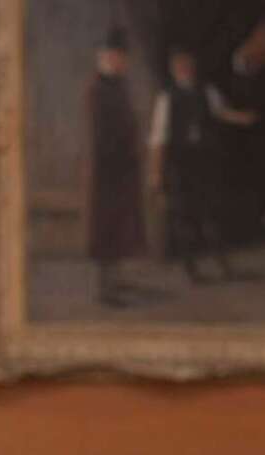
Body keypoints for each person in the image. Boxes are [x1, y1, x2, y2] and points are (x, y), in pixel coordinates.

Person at [148, 48, 257, 284]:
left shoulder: (206, 91)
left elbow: (221, 112)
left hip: (203, 162)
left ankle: (223, 265)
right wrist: (156, 172)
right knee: (184, 217)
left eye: (188, 65)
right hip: (180, 165)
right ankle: (192, 271)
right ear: (174, 70)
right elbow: (158, 137)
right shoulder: (167, 98)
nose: (185, 70)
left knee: (211, 213)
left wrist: (242, 118)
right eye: (180, 66)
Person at [85, 27, 145, 307]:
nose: (123, 63)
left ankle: (115, 280)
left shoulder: (118, 86)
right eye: (119, 57)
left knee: (120, 226)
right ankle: (105, 289)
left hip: (122, 168)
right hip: (107, 169)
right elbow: (102, 134)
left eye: (124, 58)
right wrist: (120, 153)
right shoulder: (98, 89)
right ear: (108, 57)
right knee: (106, 228)